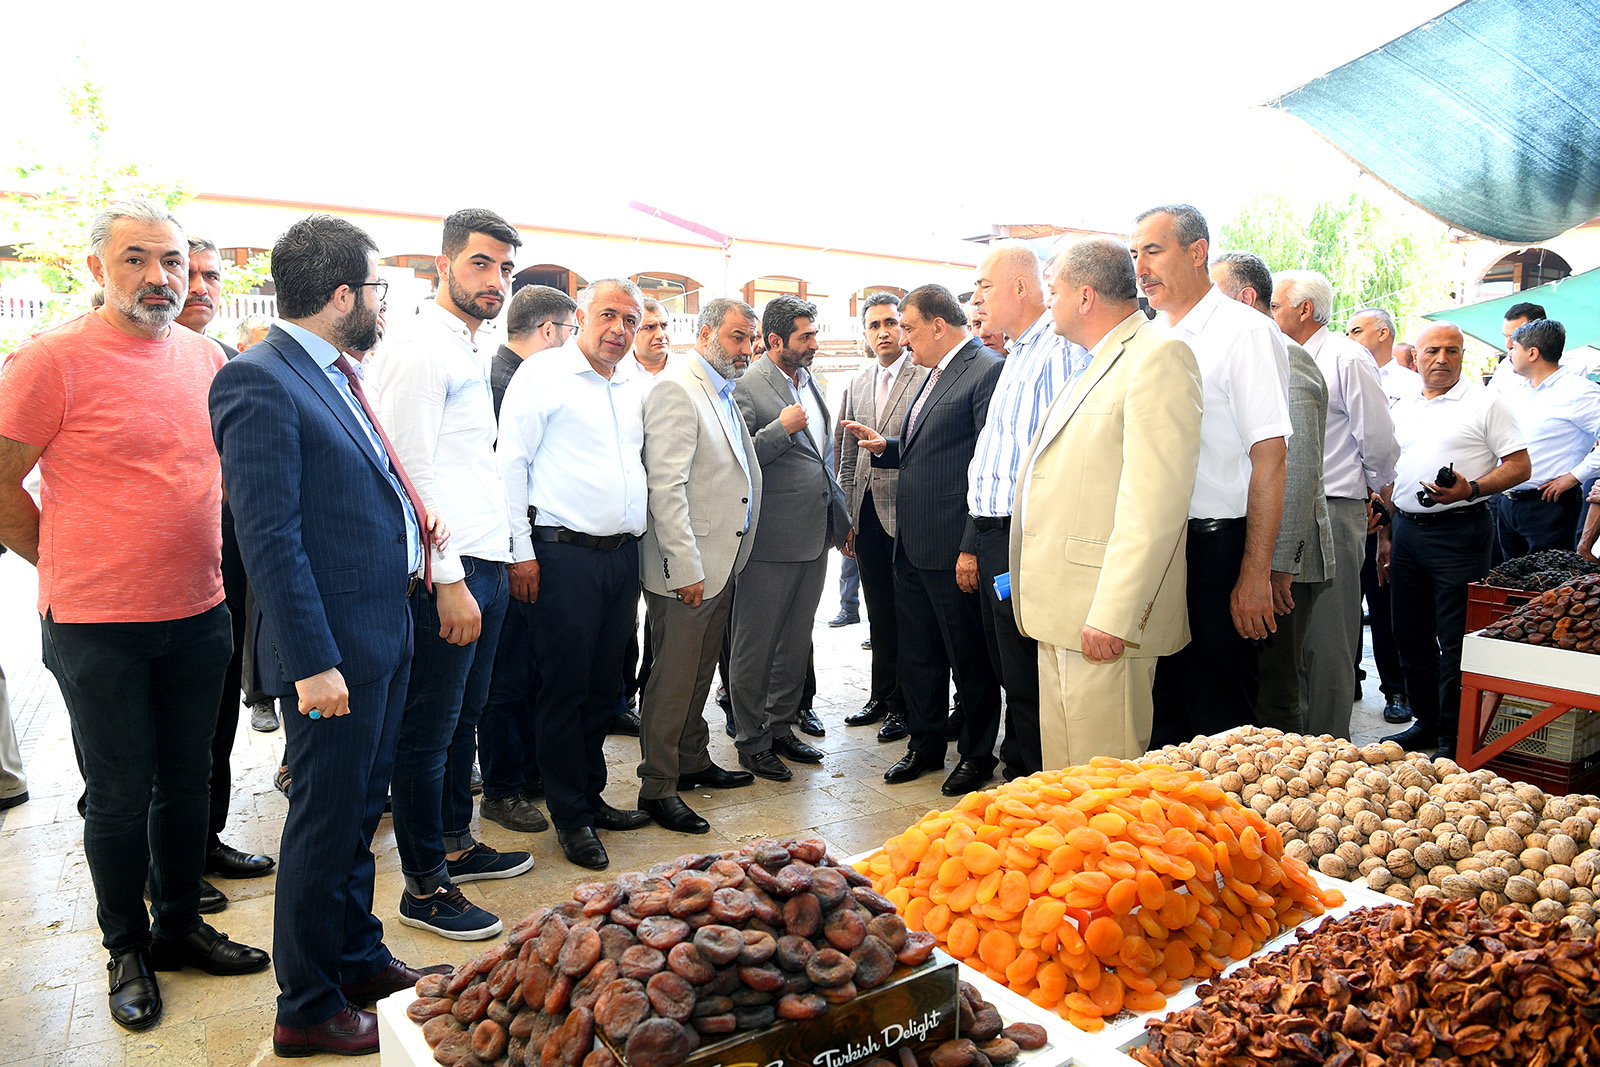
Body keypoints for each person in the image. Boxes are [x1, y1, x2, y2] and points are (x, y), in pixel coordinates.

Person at [0, 199, 268, 1033]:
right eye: (137, 260)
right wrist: (70, 564)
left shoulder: (207, 356)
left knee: (188, 782)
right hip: (95, 625)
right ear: (96, 269)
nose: (160, 277)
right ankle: (127, 947)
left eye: (173, 261)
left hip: (199, 609)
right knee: (118, 795)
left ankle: (180, 922)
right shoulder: (49, 361)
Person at [211, 214, 449, 1055]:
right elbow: (267, 537)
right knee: (322, 824)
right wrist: (312, 663)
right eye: (378, 289)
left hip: (377, 635)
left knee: (356, 814)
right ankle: (306, 1005)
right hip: (331, 657)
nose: (382, 304)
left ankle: (355, 955)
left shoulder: (332, 370)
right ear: (343, 294)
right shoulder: (260, 379)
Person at [371, 208, 532, 941]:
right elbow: (411, 468)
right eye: (479, 263)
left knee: (463, 719)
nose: (494, 279)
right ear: (442, 264)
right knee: (428, 730)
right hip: (451, 571)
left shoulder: (467, 345)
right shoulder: (417, 348)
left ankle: (456, 844)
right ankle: (423, 884)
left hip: (485, 560)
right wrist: (445, 575)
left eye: (503, 267)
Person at [1010, 237, 1202, 765]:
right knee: (1067, 779)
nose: (1048, 303)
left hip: (1103, 615)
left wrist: (1115, 613)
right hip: (1063, 608)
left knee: (1105, 786)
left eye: (1054, 291)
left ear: (1086, 296)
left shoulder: (1158, 356)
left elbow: (1155, 503)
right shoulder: (1093, 361)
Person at [498, 278, 652, 871]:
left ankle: (590, 796)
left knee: (603, 689)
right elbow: (509, 462)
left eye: (631, 320)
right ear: (582, 316)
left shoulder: (634, 382)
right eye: (609, 315)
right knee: (562, 688)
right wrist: (520, 552)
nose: (620, 329)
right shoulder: (543, 375)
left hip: (620, 556)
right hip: (560, 556)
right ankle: (570, 816)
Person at [1130, 204, 1290, 746]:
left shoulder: (1245, 333)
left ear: (1197, 252)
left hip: (1216, 550)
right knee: (1162, 716)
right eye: (1134, 255)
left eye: (1153, 251)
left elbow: (1271, 459)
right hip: (1158, 547)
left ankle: (1224, 830)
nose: (1141, 267)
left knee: (1219, 722)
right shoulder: (1149, 338)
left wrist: (1254, 574)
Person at [843, 284, 1004, 795]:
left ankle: (977, 755)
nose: (902, 338)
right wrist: (887, 447)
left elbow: (985, 466)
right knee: (919, 653)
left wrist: (970, 545)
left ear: (938, 325)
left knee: (968, 657)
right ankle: (925, 744)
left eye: (908, 327)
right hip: (908, 541)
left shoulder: (984, 369)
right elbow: (928, 450)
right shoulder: (933, 373)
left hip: (950, 545)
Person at [174, 235, 280, 886]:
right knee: (158, 746)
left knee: (213, 722)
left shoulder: (220, 359)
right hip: (138, 590)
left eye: (211, 275)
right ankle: (165, 873)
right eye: (189, 273)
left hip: (221, 567)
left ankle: (203, 841)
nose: (200, 288)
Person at [636, 297, 763, 832]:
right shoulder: (677, 388)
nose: (746, 349)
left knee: (699, 673)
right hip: (688, 570)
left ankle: (692, 759)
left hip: (720, 561)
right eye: (737, 337)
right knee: (672, 680)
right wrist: (685, 567)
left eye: (750, 340)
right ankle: (658, 786)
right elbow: (666, 488)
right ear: (707, 333)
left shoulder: (721, 390)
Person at [967, 242, 1091, 778]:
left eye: (984, 286)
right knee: (1012, 672)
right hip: (997, 533)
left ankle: (1042, 795)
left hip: (1029, 534)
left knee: (1031, 677)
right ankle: (1024, 775)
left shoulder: (1060, 348)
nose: (975, 299)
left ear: (1021, 287)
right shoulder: (1020, 351)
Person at [1380, 323, 1530, 760]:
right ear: (1415, 357)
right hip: (1406, 530)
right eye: (1432, 351)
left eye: (1451, 351)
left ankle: (1452, 736)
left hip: (1460, 532)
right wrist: (1386, 524)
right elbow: (1392, 467)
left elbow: (1520, 465)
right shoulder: (1403, 402)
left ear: (1463, 355)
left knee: (1455, 638)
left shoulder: (1486, 402)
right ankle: (1425, 721)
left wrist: (1474, 488)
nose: (1441, 359)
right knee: (1409, 633)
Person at [1271, 270, 1398, 740]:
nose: (1269, 315)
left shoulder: (1347, 357)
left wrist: (1371, 494)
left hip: (1336, 505)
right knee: (1291, 640)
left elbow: (1380, 440)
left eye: (1275, 306)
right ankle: (1289, 745)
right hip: (1286, 507)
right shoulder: (1278, 356)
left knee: (1328, 641)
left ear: (1304, 309)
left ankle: (1327, 748)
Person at [728, 295, 848, 781]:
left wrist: (841, 521)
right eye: (806, 336)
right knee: (756, 646)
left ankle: (781, 727)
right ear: (774, 341)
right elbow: (737, 459)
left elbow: (822, 459)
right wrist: (778, 429)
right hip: (769, 541)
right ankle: (751, 740)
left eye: (815, 334)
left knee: (795, 641)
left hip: (813, 535)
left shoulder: (811, 381)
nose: (815, 344)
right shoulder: (745, 387)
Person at [1212, 254, 1332, 733]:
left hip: (1283, 565)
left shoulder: (1284, 353)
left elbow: (1295, 466)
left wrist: (1275, 568)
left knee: (1274, 693)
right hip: (1259, 553)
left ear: (1244, 299)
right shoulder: (1241, 349)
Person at [477, 283, 578, 834]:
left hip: (528, 546)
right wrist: (519, 551)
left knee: (531, 671)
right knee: (507, 677)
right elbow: (506, 474)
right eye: (570, 332)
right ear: (550, 333)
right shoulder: (504, 383)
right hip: (504, 550)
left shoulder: (516, 376)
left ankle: (529, 770)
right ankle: (502, 786)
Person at [835, 294, 927, 743]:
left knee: (910, 614)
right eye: (874, 325)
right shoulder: (857, 382)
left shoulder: (926, 376)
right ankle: (881, 695)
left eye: (891, 322)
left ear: (905, 327)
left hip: (910, 514)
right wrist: (847, 517)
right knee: (878, 612)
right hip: (867, 515)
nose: (883, 332)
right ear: (865, 333)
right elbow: (846, 454)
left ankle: (907, 705)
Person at [1345, 305, 1415, 723]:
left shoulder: (1410, 386)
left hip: (1383, 510)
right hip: (1347, 504)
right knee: (1342, 603)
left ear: (1383, 333)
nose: (1349, 336)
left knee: (1383, 602)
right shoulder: (1338, 369)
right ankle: (1347, 676)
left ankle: (1395, 690)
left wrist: (1383, 510)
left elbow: (1389, 449)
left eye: (1357, 330)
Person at [1492, 319, 1600, 555]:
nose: (1509, 353)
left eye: (1514, 348)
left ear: (1532, 353)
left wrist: (1573, 477)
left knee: (1545, 586)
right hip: (1509, 502)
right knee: (1508, 584)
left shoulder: (1579, 392)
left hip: (1549, 503)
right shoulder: (1519, 391)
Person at [490, 285, 578, 416]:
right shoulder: (509, 387)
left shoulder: (501, 374)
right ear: (548, 331)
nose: (572, 341)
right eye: (570, 331)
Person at [1346, 306, 1420, 406]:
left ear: (1382, 333)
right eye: (1347, 335)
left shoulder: (1414, 383)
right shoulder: (1343, 380)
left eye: (1357, 332)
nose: (1349, 340)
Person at [1489, 301, 1548, 390]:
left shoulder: (1570, 372)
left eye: (1514, 337)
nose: (1507, 345)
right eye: (1505, 336)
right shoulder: (1505, 368)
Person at [620, 297, 673, 380]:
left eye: (664, 326)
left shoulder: (687, 371)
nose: (661, 335)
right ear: (632, 332)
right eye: (649, 327)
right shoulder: (617, 372)